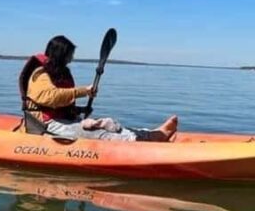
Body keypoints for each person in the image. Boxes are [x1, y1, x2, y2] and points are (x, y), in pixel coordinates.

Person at [20, 35, 178, 141]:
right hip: (45, 124)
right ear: (61, 54)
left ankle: (150, 135)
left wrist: (79, 110)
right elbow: (48, 97)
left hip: (63, 119)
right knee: (97, 132)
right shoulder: (40, 73)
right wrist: (84, 91)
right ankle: (144, 142)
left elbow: (60, 103)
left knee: (110, 126)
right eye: (70, 54)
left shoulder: (60, 71)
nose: (72, 58)